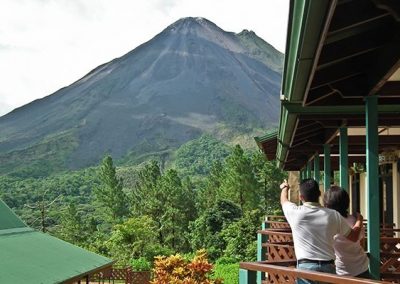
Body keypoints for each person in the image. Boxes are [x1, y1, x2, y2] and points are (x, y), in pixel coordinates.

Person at [280, 178, 363, 284]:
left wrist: (285, 188)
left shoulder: (295, 213)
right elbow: (354, 236)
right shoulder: (333, 215)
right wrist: (359, 219)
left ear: (301, 197)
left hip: (306, 268)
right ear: (319, 194)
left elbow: (284, 200)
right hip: (328, 268)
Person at [323, 186, 371, 279]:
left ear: (327, 204)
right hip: (361, 268)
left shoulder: (327, 223)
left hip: (340, 271)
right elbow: (362, 244)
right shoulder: (356, 221)